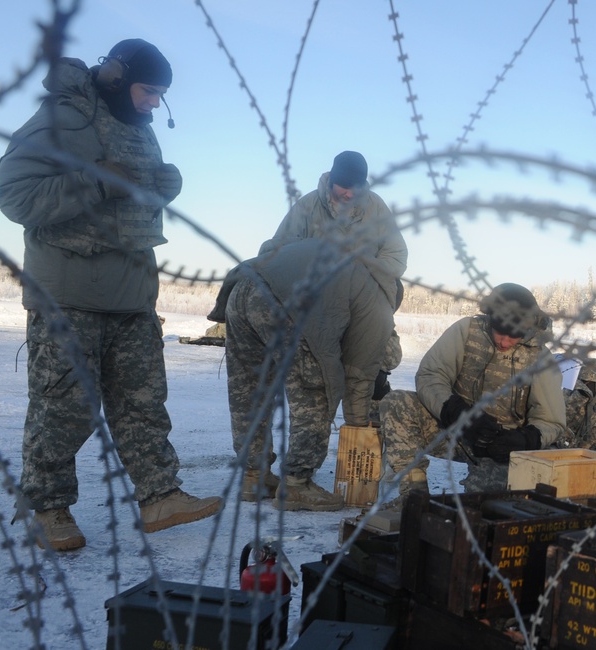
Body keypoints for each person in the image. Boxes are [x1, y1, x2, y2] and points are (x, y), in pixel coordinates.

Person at [0, 39, 222, 551]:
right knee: (64, 406)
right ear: (116, 77)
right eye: (149, 92)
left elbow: (127, 205)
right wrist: (93, 184)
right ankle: (45, 511)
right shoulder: (62, 118)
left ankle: (160, 496)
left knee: (143, 402)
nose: (154, 104)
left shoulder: (138, 129)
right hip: (69, 293)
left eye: (162, 95)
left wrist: (160, 189)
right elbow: (15, 195)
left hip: (133, 293)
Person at [209, 238, 393, 510]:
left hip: (241, 289)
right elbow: (358, 374)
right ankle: (297, 484)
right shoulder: (378, 297)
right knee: (315, 391)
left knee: (249, 391)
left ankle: (253, 477)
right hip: (285, 302)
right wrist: (359, 426)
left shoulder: (341, 257)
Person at [378, 283, 566, 505]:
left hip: (498, 449)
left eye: (513, 336)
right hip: (454, 430)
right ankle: (414, 495)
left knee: (486, 509)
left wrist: (523, 440)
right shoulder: (466, 331)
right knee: (397, 403)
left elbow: (551, 421)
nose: (504, 342)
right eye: (500, 332)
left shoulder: (541, 359)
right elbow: (431, 375)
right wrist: (454, 411)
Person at [259, 150, 407, 310]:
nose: (350, 194)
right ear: (332, 181)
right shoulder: (307, 205)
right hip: (314, 295)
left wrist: (363, 276)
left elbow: (395, 254)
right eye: (344, 186)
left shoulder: (377, 207)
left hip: (363, 293)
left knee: (392, 297)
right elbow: (280, 248)